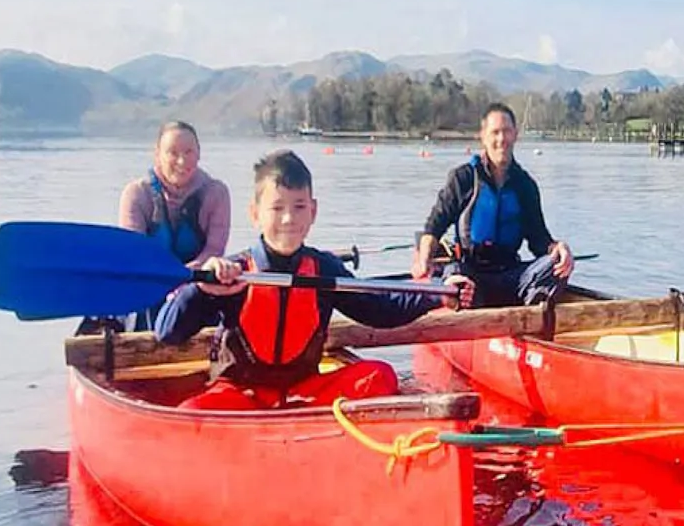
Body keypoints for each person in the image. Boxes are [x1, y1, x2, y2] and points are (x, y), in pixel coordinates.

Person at [154, 149, 475, 411]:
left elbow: (380, 308)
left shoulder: (323, 269)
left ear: (313, 212)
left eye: (299, 207)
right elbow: (168, 332)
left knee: (379, 375)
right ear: (255, 214)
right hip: (241, 397)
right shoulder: (234, 271)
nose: (289, 218)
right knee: (193, 411)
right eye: (277, 207)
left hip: (302, 394)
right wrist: (202, 289)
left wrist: (438, 294)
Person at [411, 103, 573, 307]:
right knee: (456, 279)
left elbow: (539, 240)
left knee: (555, 264)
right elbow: (433, 228)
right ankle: (466, 307)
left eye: (506, 132)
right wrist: (424, 260)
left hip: (510, 275)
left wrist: (559, 249)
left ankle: (531, 314)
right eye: (495, 132)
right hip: (470, 272)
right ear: (483, 136)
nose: (501, 139)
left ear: (515, 134)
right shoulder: (463, 178)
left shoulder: (526, 185)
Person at [116, 120, 233, 331]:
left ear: (199, 154)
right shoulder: (136, 194)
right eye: (172, 152)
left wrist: (184, 281)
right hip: (149, 284)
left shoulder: (216, 193)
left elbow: (214, 250)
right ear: (157, 154)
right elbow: (134, 252)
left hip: (196, 285)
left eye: (189, 152)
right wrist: (168, 280)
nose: (182, 161)